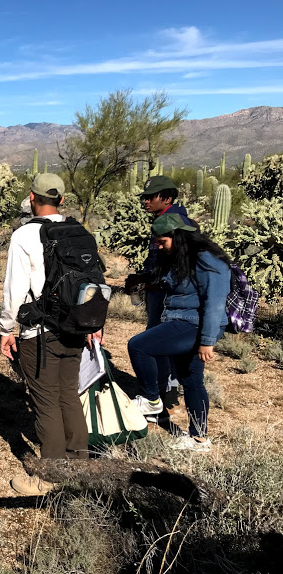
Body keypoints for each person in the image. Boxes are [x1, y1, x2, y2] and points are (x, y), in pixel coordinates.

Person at [0, 173, 101, 495]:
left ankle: (50, 477)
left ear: (32, 197)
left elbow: (14, 290)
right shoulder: (79, 232)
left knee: (45, 402)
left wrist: (6, 329)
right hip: (75, 328)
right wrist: (93, 325)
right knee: (68, 394)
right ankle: (79, 465)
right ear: (62, 200)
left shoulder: (24, 236)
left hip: (40, 334)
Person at [127, 213, 230, 452]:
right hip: (183, 322)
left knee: (139, 346)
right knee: (191, 379)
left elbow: (215, 302)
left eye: (162, 241)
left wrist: (207, 341)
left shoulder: (207, 260)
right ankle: (199, 439)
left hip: (193, 325)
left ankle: (152, 400)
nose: (159, 246)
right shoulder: (181, 257)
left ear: (178, 237)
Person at [125, 176, 197, 418]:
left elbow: (173, 269)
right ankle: (166, 393)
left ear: (166, 198)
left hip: (168, 296)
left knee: (157, 343)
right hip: (159, 291)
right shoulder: (164, 220)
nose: (145, 201)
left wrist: (146, 280)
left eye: (150, 197)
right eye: (144, 197)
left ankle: (160, 396)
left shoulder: (175, 223)